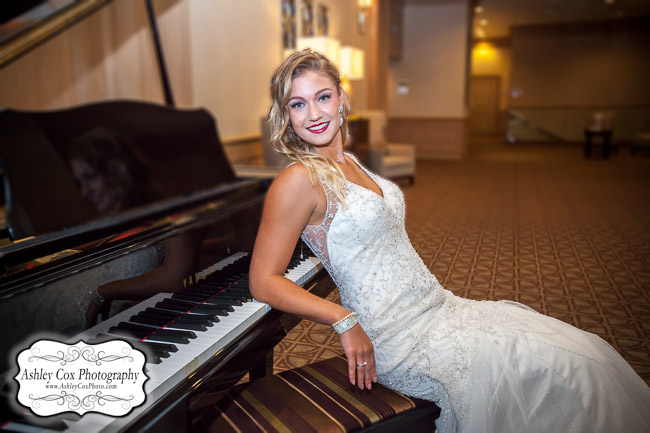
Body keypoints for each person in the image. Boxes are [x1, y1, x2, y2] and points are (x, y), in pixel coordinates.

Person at [248, 49, 650, 433]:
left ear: (342, 97)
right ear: (286, 116)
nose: (314, 113)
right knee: (551, 366)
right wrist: (343, 320)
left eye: (322, 96)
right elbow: (263, 280)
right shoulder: (298, 180)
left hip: (440, 308)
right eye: (298, 104)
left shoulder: (349, 161)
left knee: (581, 350)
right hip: (398, 338)